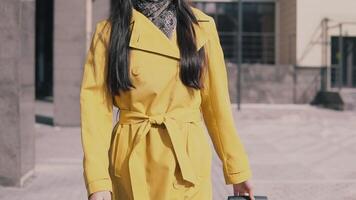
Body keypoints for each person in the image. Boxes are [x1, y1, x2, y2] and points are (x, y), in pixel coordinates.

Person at [80, 0, 254, 199]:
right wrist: (98, 181)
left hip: (188, 162)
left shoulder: (201, 26)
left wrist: (237, 169)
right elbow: (95, 113)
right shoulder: (109, 33)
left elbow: (217, 107)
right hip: (132, 162)